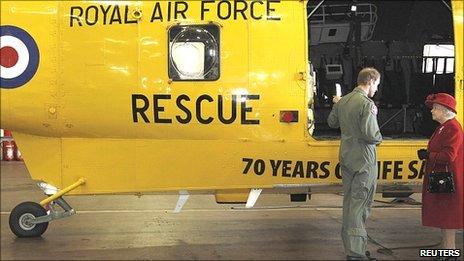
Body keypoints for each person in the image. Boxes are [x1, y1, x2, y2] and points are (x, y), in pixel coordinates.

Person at [327, 67, 382, 261]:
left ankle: (353, 247)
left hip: (347, 157)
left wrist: (336, 104)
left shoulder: (344, 101)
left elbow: (332, 122)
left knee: (349, 203)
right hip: (364, 160)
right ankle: (356, 252)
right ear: (370, 81)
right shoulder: (367, 104)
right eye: (376, 85)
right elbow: (372, 135)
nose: (376, 89)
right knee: (360, 204)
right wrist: (378, 132)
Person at [417, 93, 463, 257]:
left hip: (448, 181)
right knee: (444, 218)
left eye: (435, 108)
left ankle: (449, 253)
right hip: (442, 179)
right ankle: (445, 251)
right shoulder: (444, 127)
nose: (432, 111)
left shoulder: (453, 128)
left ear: (445, 110)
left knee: (448, 219)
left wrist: (429, 155)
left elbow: (449, 156)